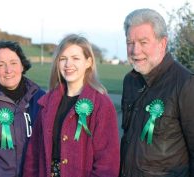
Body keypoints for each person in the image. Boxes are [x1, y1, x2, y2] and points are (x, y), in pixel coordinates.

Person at [23, 34, 120, 177]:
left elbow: (107, 163)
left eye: (75, 58)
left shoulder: (101, 104)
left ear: (88, 62)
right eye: (63, 59)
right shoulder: (47, 102)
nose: (68, 64)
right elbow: (33, 153)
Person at [120, 8, 194, 176]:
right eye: (130, 42)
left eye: (143, 42)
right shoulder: (130, 81)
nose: (135, 50)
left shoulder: (186, 84)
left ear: (163, 43)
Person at [0, 40, 45, 177]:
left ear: (22, 65)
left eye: (13, 63)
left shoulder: (41, 99)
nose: (8, 70)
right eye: (0, 64)